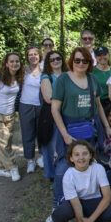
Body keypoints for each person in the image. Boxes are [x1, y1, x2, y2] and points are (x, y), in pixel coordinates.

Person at [48, 47, 111, 222]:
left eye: (85, 61)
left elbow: (98, 105)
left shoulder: (92, 79)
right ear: (72, 61)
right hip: (68, 130)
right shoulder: (62, 80)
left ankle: (94, 213)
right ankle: (57, 210)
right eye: (77, 60)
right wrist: (64, 134)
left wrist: (107, 127)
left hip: (88, 130)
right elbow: (54, 109)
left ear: (89, 63)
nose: (80, 64)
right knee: (63, 169)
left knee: (90, 167)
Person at [51, 140, 111, 222]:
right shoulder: (68, 175)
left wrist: (91, 220)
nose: (81, 158)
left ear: (91, 156)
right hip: (75, 202)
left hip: (94, 200)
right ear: (71, 158)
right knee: (61, 213)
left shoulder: (98, 168)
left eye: (85, 153)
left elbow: (107, 197)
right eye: (76, 154)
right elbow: (76, 205)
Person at [0, 52, 24, 182]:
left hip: (10, 115)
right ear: (6, 64)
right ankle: (13, 167)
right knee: (3, 144)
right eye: (11, 61)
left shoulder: (19, 77)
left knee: (4, 143)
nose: (14, 63)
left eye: (17, 61)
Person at [39, 50, 66, 183]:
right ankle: (52, 176)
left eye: (58, 58)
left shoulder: (68, 75)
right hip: (50, 116)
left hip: (66, 114)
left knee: (64, 145)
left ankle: (64, 173)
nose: (56, 61)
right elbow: (49, 98)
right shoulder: (46, 77)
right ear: (48, 63)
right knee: (51, 145)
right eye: (52, 59)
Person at [19, 45, 43, 174]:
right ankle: (30, 160)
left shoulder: (45, 70)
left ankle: (43, 157)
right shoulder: (23, 70)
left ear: (39, 56)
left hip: (40, 105)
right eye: (30, 54)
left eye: (35, 54)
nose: (33, 56)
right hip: (25, 105)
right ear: (27, 57)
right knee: (28, 133)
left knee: (41, 133)